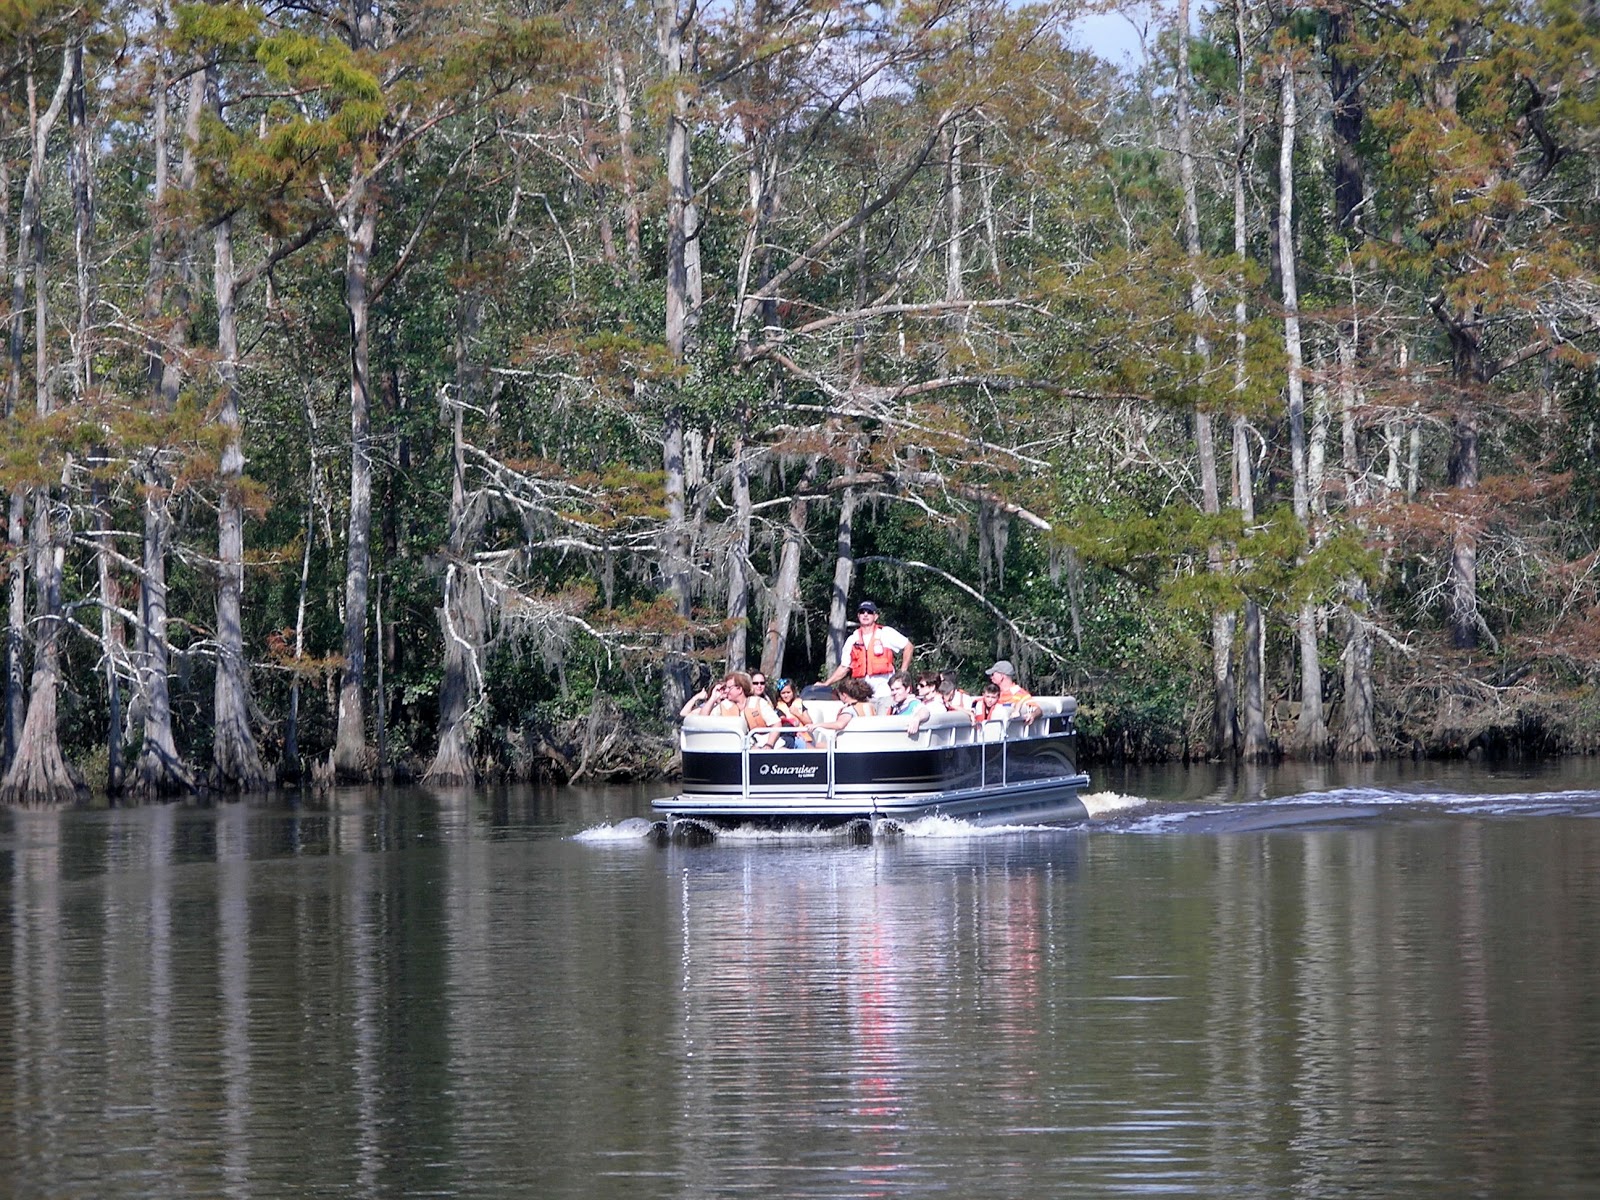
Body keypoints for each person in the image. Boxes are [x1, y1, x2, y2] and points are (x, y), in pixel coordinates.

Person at [822, 601, 913, 701]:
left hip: (884, 692)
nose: (865, 614)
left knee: (883, 715)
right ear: (858, 615)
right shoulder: (852, 639)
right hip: (863, 694)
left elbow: (908, 646)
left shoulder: (885, 633)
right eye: (862, 612)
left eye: (869, 612)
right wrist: (826, 683)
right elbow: (844, 667)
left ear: (875, 616)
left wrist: (903, 672)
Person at [685, 672, 778, 736]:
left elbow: (776, 724)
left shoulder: (759, 703)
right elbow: (702, 720)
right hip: (733, 749)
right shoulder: (723, 706)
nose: (726, 690)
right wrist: (713, 698)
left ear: (739, 689)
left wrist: (768, 745)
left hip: (761, 745)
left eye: (729, 687)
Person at [812, 677, 875, 743]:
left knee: (813, 745)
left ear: (844, 696)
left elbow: (840, 725)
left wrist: (817, 725)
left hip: (850, 744)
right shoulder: (870, 706)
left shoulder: (849, 709)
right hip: (867, 742)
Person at [759, 677, 815, 748]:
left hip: (805, 736)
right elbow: (781, 721)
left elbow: (809, 723)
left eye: (788, 692)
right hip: (789, 736)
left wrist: (797, 713)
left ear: (793, 692)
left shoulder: (799, 704)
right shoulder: (778, 707)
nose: (786, 695)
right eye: (783, 693)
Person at [986, 659, 1042, 725]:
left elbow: (1038, 710)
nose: (991, 677)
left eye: (993, 674)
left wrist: (1032, 715)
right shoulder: (994, 693)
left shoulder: (1020, 693)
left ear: (1002, 676)